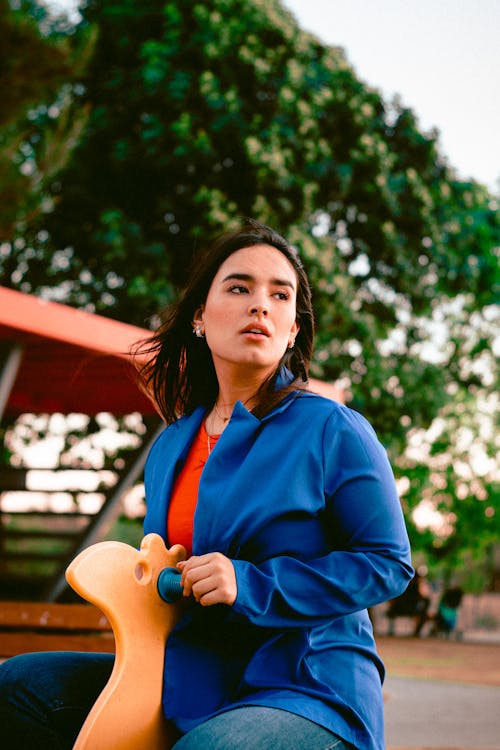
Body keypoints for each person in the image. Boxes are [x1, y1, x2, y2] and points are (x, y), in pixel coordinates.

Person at [0, 219, 413, 750]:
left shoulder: (333, 429)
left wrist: (252, 583)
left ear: (292, 329)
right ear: (200, 316)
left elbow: (388, 563)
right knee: (18, 687)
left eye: (279, 295)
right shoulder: (171, 445)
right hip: (190, 677)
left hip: (308, 685)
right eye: (239, 287)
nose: (259, 304)